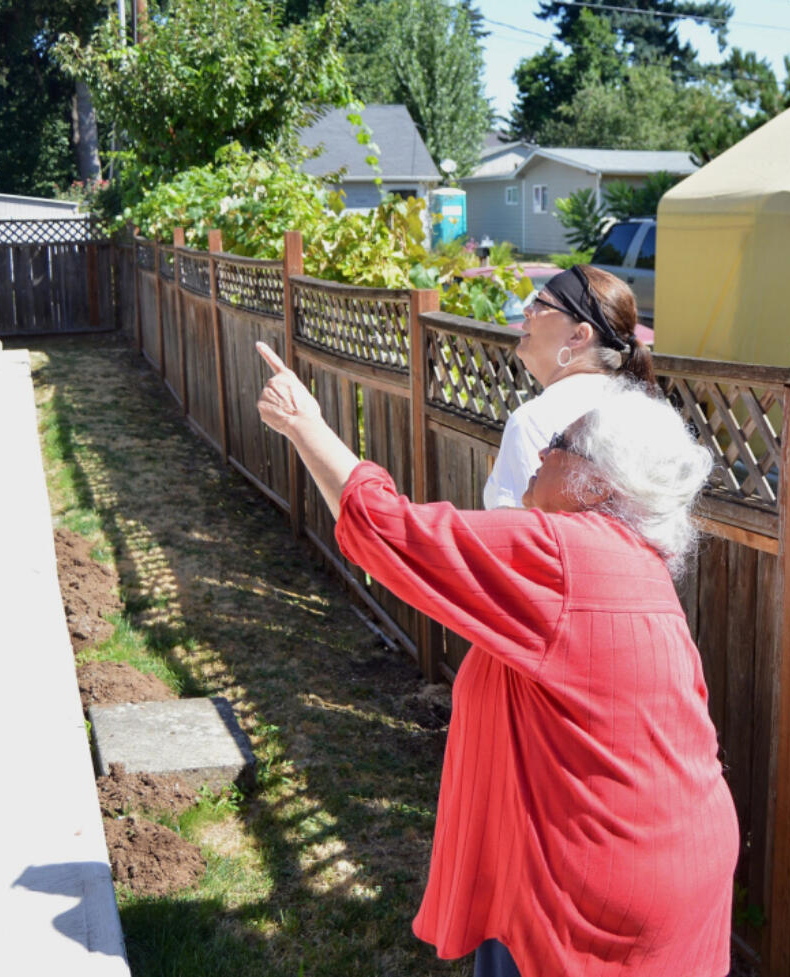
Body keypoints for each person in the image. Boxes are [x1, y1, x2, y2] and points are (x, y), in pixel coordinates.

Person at [255, 340, 737, 977]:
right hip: (675, 857)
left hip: (590, 890)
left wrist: (304, 425)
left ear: (598, 478)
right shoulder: (636, 565)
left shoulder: (562, 554)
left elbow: (388, 529)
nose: (540, 451)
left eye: (561, 442)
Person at [484, 264, 654, 509]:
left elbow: (520, 536)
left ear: (578, 335)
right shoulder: (636, 409)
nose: (527, 310)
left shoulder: (535, 420)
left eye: (541, 304)